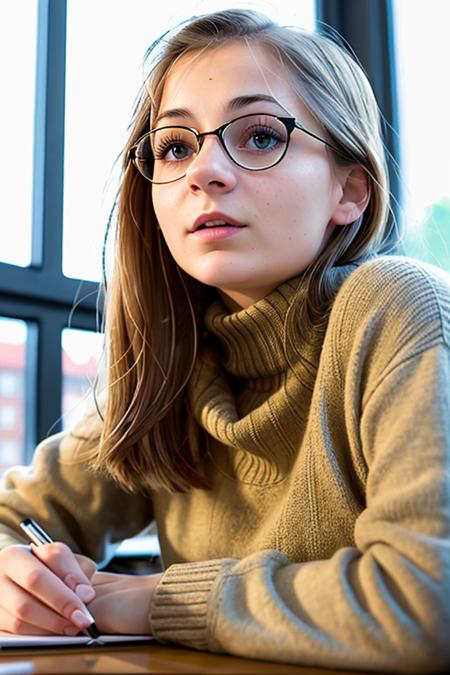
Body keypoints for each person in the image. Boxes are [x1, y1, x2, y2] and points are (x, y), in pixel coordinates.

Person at [0, 7, 449, 672]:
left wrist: (152, 600)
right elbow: (15, 517)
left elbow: (425, 602)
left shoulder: (398, 306)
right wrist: (17, 577)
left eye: (261, 136)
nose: (202, 173)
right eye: (175, 146)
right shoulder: (174, 363)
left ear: (349, 190)